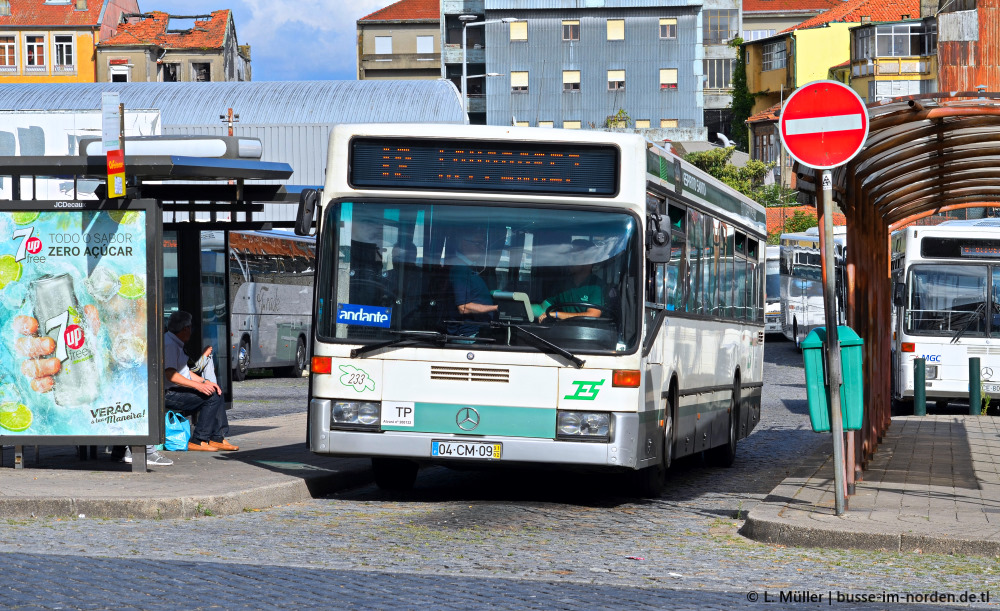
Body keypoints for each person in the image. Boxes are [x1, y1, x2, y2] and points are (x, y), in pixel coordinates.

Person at [164, 311, 238, 452]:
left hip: (175, 388)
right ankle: (198, 439)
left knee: (215, 389)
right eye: (190, 327)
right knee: (211, 397)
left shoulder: (174, 341)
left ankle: (217, 437)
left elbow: (185, 372)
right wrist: (198, 386)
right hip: (168, 393)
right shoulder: (169, 344)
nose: (191, 331)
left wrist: (205, 382)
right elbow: (171, 375)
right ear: (185, 328)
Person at [537, 239, 605, 322]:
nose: (569, 260)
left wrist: (557, 314)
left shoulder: (596, 285)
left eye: (574, 256)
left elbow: (593, 314)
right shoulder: (563, 284)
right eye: (569, 256)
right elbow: (543, 308)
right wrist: (521, 306)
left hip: (586, 333)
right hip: (561, 333)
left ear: (588, 260)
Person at [447, 231, 498, 337]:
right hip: (468, 336)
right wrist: (496, 307)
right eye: (479, 243)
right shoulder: (460, 269)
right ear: (464, 244)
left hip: (474, 332)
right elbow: (464, 307)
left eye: (484, 244)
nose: (483, 248)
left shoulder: (467, 267)